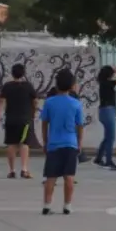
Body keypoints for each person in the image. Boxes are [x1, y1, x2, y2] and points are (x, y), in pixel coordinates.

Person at [40, 68, 85, 215]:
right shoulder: (76, 104)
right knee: (69, 176)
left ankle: (47, 204)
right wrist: (79, 143)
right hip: (70, 143)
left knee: (51, 177)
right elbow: (80, 126)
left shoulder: (49, 103)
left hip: (54, 143)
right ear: (72, 86)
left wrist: (45, 141)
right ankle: (67, 205)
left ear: (56, 85)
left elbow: (44, 123)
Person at [0, 63, 38, 179]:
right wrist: (33, 113)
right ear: (23, 73)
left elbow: (0, 103)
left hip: (11, 120)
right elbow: (35, 102)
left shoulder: (7, 86)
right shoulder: (28, 86)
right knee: (24, 144)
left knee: (11, 144)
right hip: (25, 120)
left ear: (12, 73)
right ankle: (24, 169)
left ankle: (12, 170)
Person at [94, 65, 116, 170]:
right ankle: (108, 161)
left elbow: (110, 99)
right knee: (111, 137)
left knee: (108, 137)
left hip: (104, 111)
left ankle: (98, 158)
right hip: (107, 111)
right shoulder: (108, 83)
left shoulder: (103, 84)